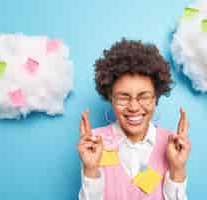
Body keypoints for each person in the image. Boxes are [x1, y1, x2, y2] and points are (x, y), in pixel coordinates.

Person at [77, 39, 191, 200]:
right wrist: (90, 169)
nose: (134, 107)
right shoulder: (94, 143)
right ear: (110, 98)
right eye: (123, 97)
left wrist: (178, 168)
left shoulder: (172, 144)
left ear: (155, 98)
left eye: (143, 97)